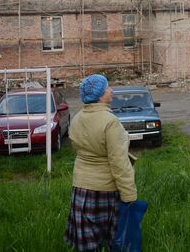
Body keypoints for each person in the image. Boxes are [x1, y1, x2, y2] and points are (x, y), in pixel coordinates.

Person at [65, 74, 137, 252]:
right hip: (105, 191)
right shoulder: (110, 122)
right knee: (115, 242)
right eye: (108, 88)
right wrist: (129, 195)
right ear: (100, 94)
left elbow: (81, 151)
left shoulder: (76, 119)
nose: (111, 90)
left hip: (80, 188)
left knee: (87, 245)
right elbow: (119, 163)